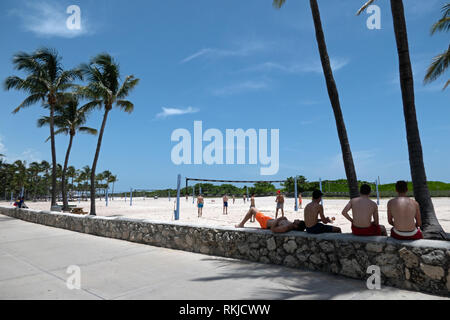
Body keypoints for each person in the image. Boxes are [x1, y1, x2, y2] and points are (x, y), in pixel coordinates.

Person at [235, 207, 306, 233]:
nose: (297, 219)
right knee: (254, 209)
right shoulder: (290, 225)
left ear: (296, 226)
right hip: (268, 219)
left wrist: (279, 219)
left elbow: (273, 229)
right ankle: (242, 223)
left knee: (252, 209)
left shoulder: (286, 227)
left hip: (264, 222)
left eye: (298, 220)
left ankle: (241, 224)